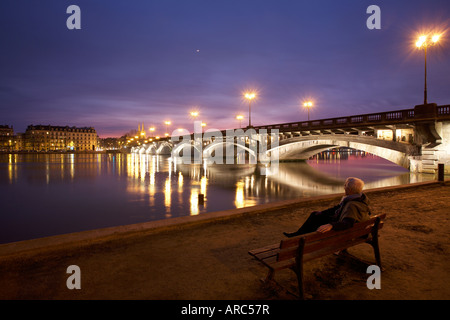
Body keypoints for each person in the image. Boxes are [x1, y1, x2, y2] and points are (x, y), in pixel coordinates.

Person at [283, 177, 371, 238]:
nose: (344, 188)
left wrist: (331, 225)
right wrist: (322, 212)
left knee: (315, 218)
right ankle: (299, 234)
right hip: (350, 225)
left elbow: (348, 223)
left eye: (345, 186)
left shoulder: (352, 205)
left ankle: (299, 236)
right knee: (316, 215)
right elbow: (336, 208)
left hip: (346, 230)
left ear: (350, 190)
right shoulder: (359, 198)